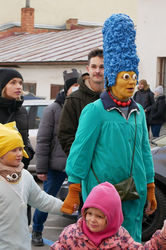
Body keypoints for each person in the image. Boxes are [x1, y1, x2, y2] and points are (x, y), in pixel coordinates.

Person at [61, 14, 156, 242]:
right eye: (126, 77)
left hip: (135, 193)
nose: (132, 82)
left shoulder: (139, 112)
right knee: (103, 241)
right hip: (103, 195)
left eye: (134, 76)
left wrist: (150, 185)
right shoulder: (95, 111)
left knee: (131, 238)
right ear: (112, 78)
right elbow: (81, 150)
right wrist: (74, 188)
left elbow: (144, 150)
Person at [0, 120, 63, 250]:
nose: (19, 154)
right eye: (13, 150)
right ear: (0, 152)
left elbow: (41, 200)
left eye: (20, 149)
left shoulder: (25, 176)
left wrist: (64, 207)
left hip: (21, 246)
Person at [31, 69, 80, 246]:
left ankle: (82, 235)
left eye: (79, 85)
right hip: (56, 165)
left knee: (83, 201)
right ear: (67, 88)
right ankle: (37, 229)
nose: (77, 88)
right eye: (74, 85)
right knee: (47, 199)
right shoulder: (53, 109)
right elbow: (43, 140)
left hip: (79, 165)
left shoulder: (84, 107)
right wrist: (42, 168)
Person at [51, 182, 166, 249]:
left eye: (99, 216)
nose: (92, 219)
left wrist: (163, 237)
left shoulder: (121, 238)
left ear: (112, 218)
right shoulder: (71, 234)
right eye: (89, 213)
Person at [58, 49, 104, 156]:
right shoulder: (74, 99)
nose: (97, 71)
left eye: (102, 67)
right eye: (94, 66)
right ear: (88, 69)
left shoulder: (113, 99)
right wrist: (81, 159)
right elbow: (65, 136)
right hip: (85, 167)